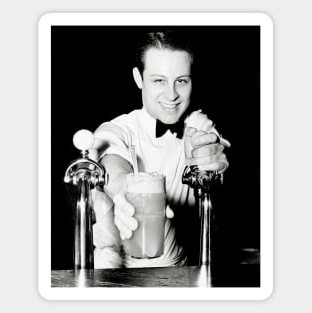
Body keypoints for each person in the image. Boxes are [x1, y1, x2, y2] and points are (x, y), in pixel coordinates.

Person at [88, 31, 230, 268]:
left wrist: (209, 157)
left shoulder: (197, 125)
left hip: (180, 277)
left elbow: (215, 147)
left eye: (181, 81)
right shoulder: (118, 129)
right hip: (113, 276)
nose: (172, 94)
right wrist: (126, 193)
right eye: (159, 80)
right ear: (138, 79)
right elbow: (111, 162)